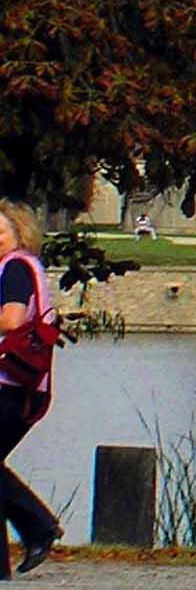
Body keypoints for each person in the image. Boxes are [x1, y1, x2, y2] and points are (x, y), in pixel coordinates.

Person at [0, 202, 61, 577]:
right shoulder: (17, 267)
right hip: (22, 385)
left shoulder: (16, 268)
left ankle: (39, 526)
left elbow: (11, 318)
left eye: (0, 232)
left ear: (18, 233)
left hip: (12, 385)